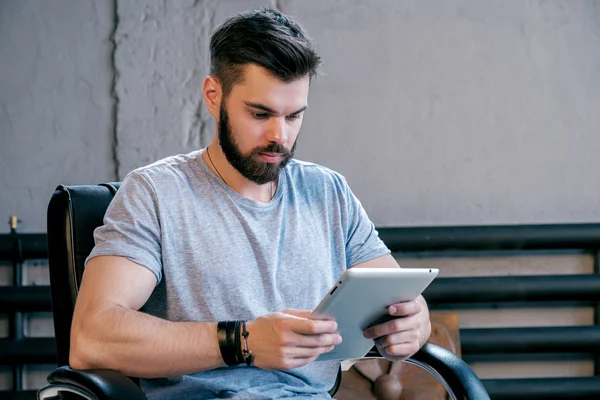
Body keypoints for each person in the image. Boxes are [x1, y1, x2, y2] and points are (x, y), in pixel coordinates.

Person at [69, 7, 431, 400]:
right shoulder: (154, 194)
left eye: (294, 116)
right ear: (214, 96)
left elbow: (400, 301)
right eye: (260, 113)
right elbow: (92, 338)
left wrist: (414, 323)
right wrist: (242, 341)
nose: (280, 136)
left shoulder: (328, 192)